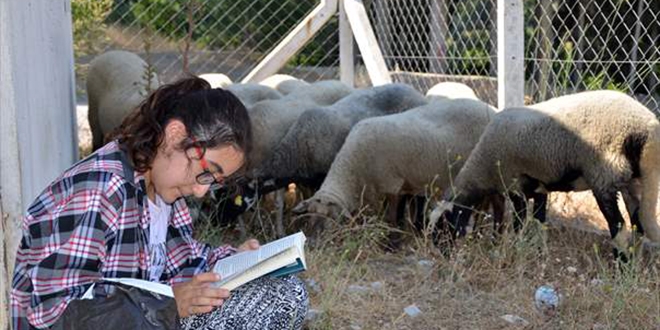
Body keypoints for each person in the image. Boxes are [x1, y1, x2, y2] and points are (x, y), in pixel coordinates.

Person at [10, 76, 308, 329]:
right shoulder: (100, 190)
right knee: (271, 304)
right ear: (175, 134)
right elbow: (51, 315)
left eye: (214, 182)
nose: (201, 192)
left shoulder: (164, 190)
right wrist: (168, 306)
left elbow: (184, 260)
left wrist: (239, 262)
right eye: (207, 173)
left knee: (286, 290)